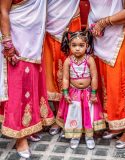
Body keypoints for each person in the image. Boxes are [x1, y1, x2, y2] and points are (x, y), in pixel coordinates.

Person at [0, 0, 54, 158]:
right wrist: (8, 42)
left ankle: (29, 126)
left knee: (30, 87)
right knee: (17, 88)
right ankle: (19, 137)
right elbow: (3, 11)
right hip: (17, 42)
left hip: (34, 42)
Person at [88, 0, 125, 149]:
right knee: (109, 86)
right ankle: (115, 124)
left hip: (121, 37)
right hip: (101, 38)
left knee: (123, 85)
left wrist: (103, 22)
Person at [56, 30, 106, 149]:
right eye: (74, 45)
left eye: (81, 45)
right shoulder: (68, 61)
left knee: (89, 111)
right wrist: (65, 93)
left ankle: (89, 136)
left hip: (88, 92)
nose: (77, 49)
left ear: (87, 46)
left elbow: (94, 77)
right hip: (74, 93)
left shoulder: (90, 60)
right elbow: (66, 79)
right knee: (75, 112)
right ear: (69, 46)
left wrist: (94, 93)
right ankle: (75, 136)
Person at [43, 0, 81, 136]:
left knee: (73, 70)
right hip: (48, 21)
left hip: (70, 18)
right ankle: (58, 117)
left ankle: (72, 115)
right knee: (50, 71)